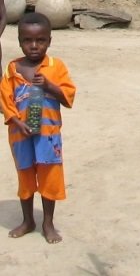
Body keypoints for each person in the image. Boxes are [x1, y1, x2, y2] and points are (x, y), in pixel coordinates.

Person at [0, 12, 76, 243]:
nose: (34, 46)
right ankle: (27, 220)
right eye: (28, 40)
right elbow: (4, 100)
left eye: (40, 40)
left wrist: (50, 86)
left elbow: (68, 97)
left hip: (48, 136)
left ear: (49, 41)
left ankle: (47, 223)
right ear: (19, 41)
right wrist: (17, 121)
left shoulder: (55, 66)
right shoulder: (13, 69)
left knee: (49, 177)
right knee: (25, 176)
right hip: (20, 134)